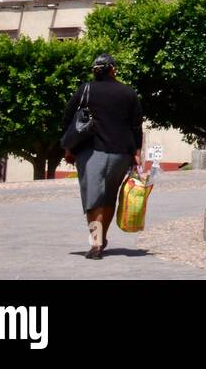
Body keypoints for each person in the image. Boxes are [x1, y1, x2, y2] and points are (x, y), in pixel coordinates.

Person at [61, 53, 142, 259]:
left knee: (93, 199)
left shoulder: (85, 90)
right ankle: (101, 238)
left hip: (91, 152)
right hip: (121, 153)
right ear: (113, 69)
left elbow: (68, 119)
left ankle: (96, 242)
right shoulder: (128, 93)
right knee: (108, 198)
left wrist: (69, 148)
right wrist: (137, 153)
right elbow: (136, 126)